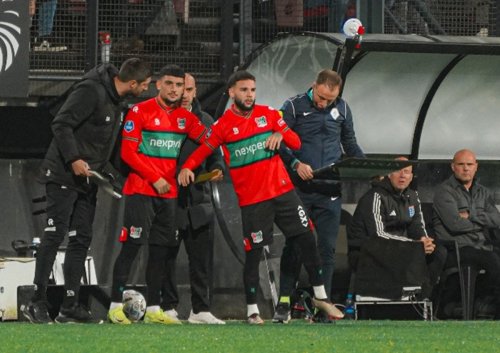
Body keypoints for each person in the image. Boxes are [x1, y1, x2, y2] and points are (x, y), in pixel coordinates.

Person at [178, 70, 344, 324]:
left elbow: (296, 142)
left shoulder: (268, 115)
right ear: (232, 92)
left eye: (253, 90)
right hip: (253, 201)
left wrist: (280, 134)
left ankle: (320, 296)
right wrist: (189, 167)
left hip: (283, 192)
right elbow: (203, 150)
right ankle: (252, 310)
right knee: (254, 254)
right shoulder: (222, 126)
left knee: (307, 239)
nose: (249, 95)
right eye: (244, 90)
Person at [22, 58, 153, 324]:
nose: (146, 91)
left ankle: (70, 305)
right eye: (146, 85)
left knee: (81, 238)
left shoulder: (117, 103)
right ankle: (36, 302)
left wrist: (113, 175)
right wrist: (73, 159)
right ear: (132, 83)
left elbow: (104, 147)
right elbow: (61, 124)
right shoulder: (91, 90)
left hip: (87, 180)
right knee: (54, 234)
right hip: (62, 173)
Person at [107, 65, 222, 325]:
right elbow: (128, 153)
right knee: (132, 246)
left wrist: (190, 166)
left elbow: (211, 141)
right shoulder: (140, 111)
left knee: (161, 251)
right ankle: (115, 305)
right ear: (158, 84)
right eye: (169, 83)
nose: (174, 89)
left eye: (179, 85)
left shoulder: (185, 118)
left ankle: (155, 308)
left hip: (168, 195)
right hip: (141, 190)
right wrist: (155, 177)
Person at [279, 69, 364, 304]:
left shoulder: (343, 109)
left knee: (327, 249)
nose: (324, 103)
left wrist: (368, 167)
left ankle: (322, 306)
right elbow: (278, 142)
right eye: (321, 97)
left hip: (330, 190)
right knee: (295, 245)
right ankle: (284, 302)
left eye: (330, 100)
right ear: (313, 85)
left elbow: (350, 144)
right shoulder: (293, 106)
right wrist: (296, 164)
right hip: (300, 191)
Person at [160, 73, 225, 324]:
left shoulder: (207, 121)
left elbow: (215, 154)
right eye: (180, 88)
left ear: (195, 91)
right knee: (166, 256)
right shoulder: (164, 119)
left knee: (201, 259)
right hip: (170, 198)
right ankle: (168, 306)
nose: (185, 94)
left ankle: (201, 309)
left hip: (199, 200)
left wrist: (218, 168)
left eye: (189, 89)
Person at [348, 158, 446, 297]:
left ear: (411, 177)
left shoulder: (412, 196)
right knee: (413, 253)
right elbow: (378, 235)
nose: (402, 175)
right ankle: (404, 300)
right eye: (398, 170)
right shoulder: (375, 196)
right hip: (369, 251)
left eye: (406, 172)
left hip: (400, 248)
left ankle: (423, 299)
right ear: (389, 174)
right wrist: (414, 245)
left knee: (438, 253)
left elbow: (417, 225)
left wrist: (424, 241)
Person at [433, 149, 500, 313]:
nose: (465, 168)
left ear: (476, 166)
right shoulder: (444, 191)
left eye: (469, 164)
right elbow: (455, 224)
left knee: (492, 258)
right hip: (457, 248)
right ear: (453, 167)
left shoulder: (483, 192)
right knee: (493, 261)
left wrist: (471, 215)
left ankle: (485, 304)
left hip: (482, 246)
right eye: (461, 164)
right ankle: (490, 309)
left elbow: (497, 219)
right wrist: (483, 223)